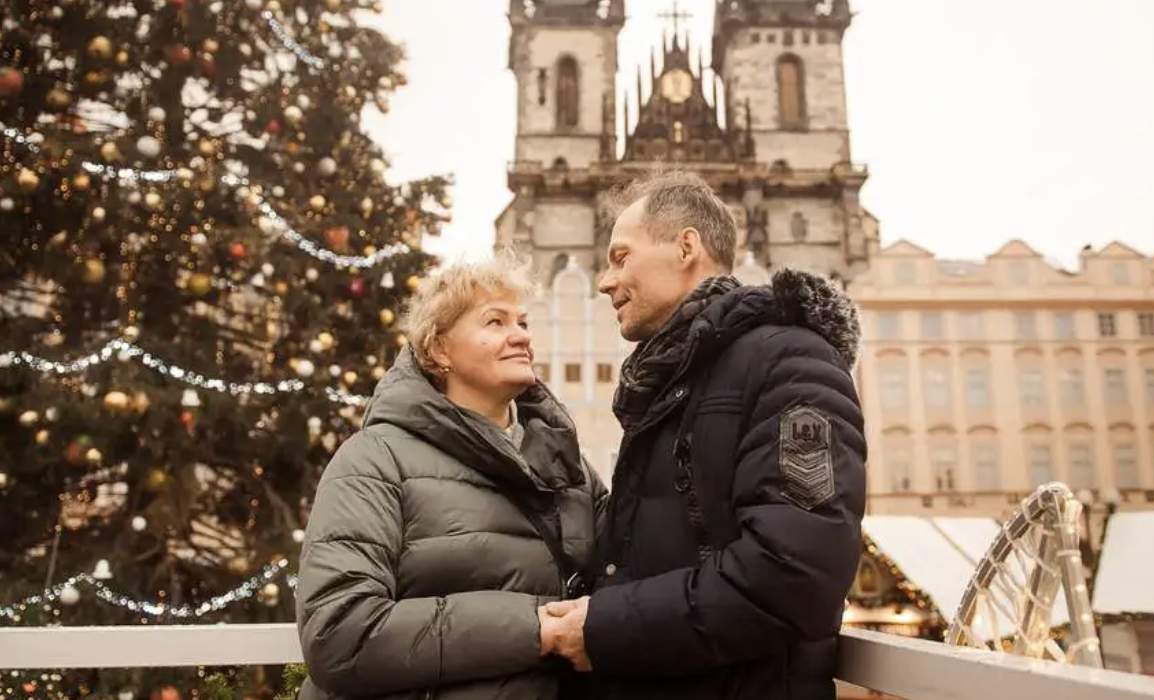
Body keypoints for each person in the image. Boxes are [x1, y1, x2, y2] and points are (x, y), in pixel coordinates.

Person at [541, 171, 867, 700]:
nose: (604, 281)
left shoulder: (792, 363)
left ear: (685, 247)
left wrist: (601, 628)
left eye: (620, 257)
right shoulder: (671, 379)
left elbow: (794, 575)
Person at [295, 255, 606, 700]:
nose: (520, 335)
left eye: (522, 321)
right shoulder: (375, 461)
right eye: (494, 322)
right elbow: (341, 634)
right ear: (440, 349)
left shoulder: (567, 466)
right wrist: (539, 628)